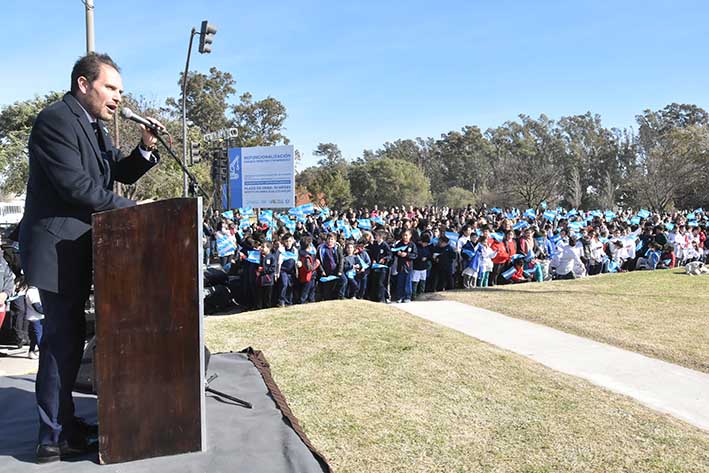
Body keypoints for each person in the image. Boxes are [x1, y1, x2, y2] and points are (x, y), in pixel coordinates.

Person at [19, 53, 161, 464]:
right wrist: (130, 210)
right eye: (111, 88)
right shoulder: (55, 120)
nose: (118, 96)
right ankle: (51, 437)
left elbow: (118, 170)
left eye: (120, 90)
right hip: (56, 249)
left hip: (80, 248)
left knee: (70, 338)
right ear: (84, 84)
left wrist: (145, 149)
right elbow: (75, 186)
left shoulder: (94, 127)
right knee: (61, 340)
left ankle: (64, 421)